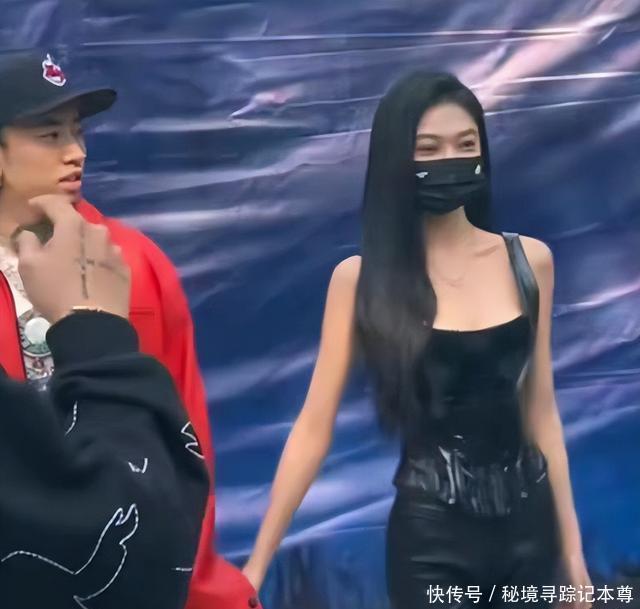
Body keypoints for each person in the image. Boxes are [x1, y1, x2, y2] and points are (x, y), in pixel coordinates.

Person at [243, 72, 593, 608]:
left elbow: (541, 413)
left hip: (529, 527)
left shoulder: (530, 262)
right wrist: (258, 562)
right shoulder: (361, 281)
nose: (450, 160)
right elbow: (314, 426)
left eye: (466, 144)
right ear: (396, 160)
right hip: (430, 536)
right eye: (428, 149)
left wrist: (574, 558)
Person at [0, 50, 259, 609]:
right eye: (49, 135)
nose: (76, 151)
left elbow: (182, 433)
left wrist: (181, 582)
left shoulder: (131, 261)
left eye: (78, 132)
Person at [0, 195, 208, 608]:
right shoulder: (109, 264)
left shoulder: (130, 255)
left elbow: (188, 411)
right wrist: (97, 335)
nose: (74, 160)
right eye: (48, 140)